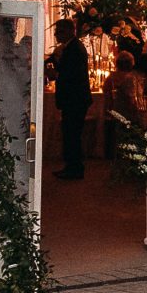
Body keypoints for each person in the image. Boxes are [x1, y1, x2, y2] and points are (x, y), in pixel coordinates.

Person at [50, 16, 92, 180]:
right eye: (55, 31)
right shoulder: (70, 47)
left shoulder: (75, 48)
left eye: (59, 31)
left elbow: (72, 73)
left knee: (72, 134)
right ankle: (71, 166)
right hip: (74, 99)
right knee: (70, 133)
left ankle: (74, 168)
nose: (56, 34)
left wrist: (56, 73)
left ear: (69, 31)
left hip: (75, 99)